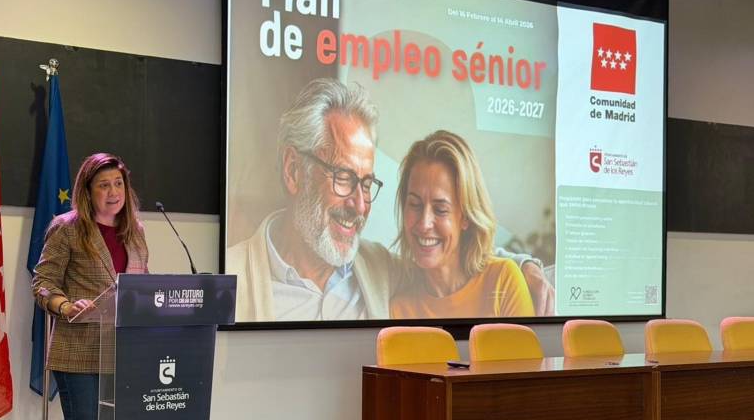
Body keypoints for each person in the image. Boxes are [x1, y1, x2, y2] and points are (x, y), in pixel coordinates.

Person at [228, 78, 397, 322]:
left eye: (367, 184)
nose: (359, 205)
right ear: (294, 171)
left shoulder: (382, 269)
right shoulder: (229, 277)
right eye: (343, 177)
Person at [32, 153, 149, 420]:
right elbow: (42, 283)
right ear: (87, 191)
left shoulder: (135, 231)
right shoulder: (67, 228)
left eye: (118, 183)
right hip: (77, 350)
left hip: (120, 350)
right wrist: (67, 306)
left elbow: (141, 286)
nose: (114, 192)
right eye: (103, 185)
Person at [390, 131, 535, 318]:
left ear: (466, 216)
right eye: (415, 205)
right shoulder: (399, 309)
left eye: (440, 209)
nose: (424, 223)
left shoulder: (503, 281)